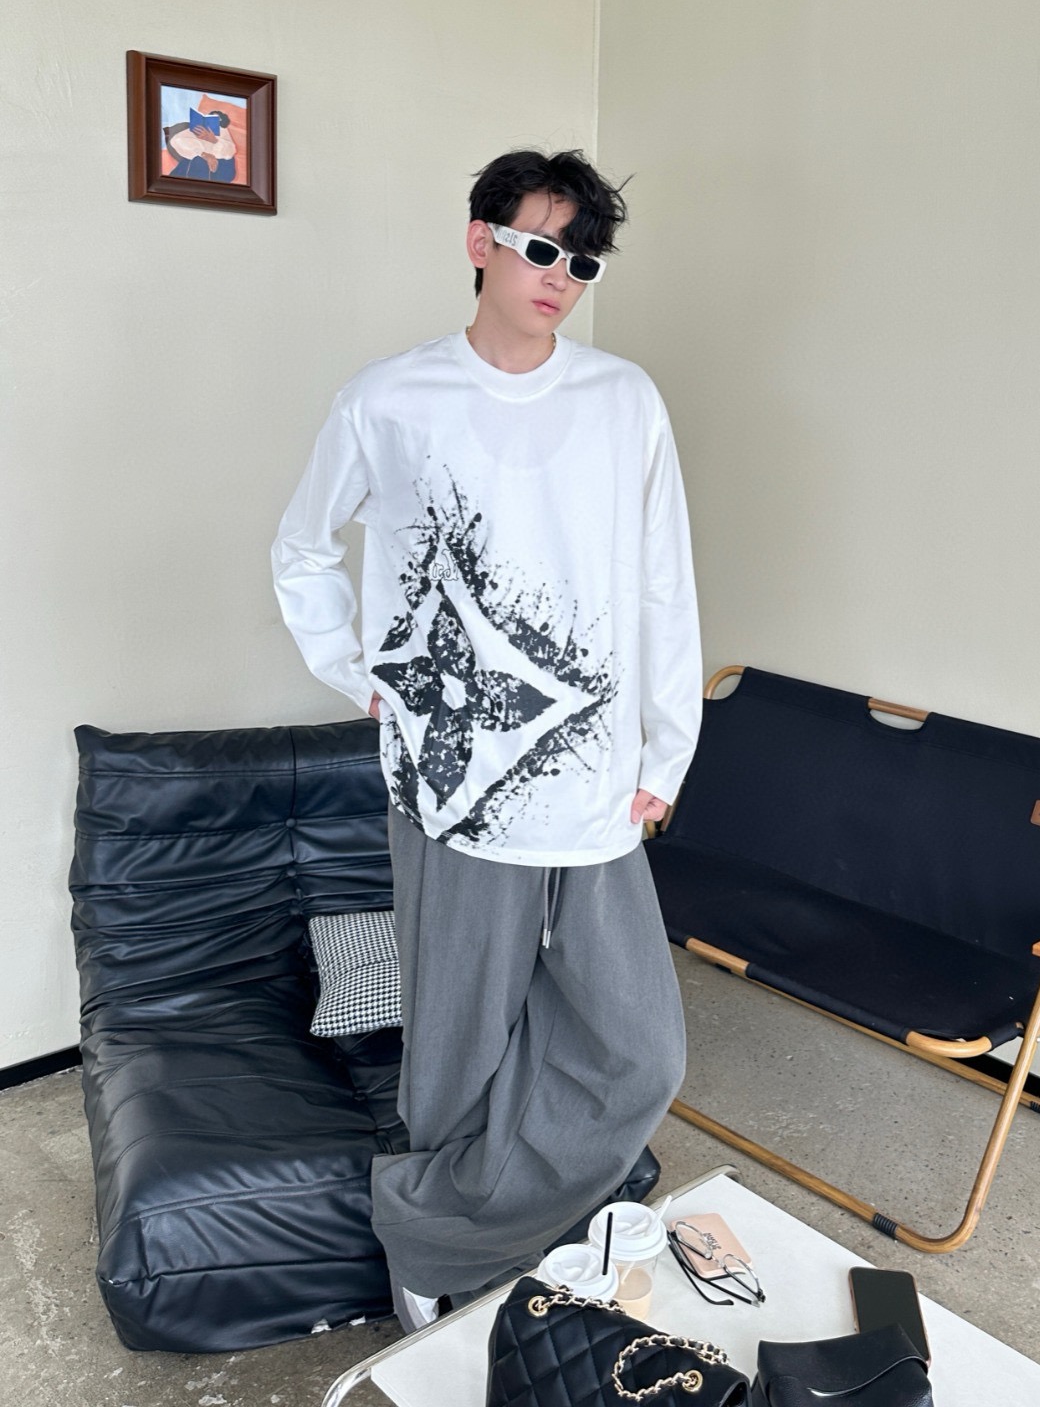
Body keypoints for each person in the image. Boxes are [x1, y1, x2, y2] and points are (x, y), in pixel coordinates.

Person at [271, 148, 702, 1331]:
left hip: (596, 786)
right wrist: (361, 675)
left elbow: (664, 585)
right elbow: (302, 546)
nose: (563, 276)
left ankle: (434, 1217)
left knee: (639, 1052)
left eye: (585, 261)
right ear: (481, 243)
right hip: (452, 790)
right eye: (544, 248)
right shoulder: (390, 400)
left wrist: (666, 753)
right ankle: (447, 1262)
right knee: (456, 1055)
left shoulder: (624, 399)